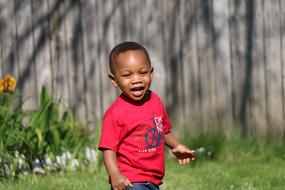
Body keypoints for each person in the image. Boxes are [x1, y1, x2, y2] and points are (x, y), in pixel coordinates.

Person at [98, 41, 195, 190]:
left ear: (151, 73)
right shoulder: (116, 113)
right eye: (127, 75)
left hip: (152, 180)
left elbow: (161, 129)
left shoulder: (154, 101)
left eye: (142, 72)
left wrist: (176, 146)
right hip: (130, 181)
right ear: (114, 80)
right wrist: (114, 174)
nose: (136, 79)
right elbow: (108, 149)